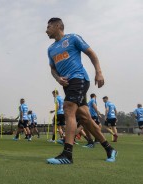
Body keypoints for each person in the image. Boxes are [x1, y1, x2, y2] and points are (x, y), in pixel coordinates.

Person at [46, 17, 117, 164]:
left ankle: (67, 154)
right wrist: (57, 78)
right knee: (85, 118)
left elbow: (91, 53)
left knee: (68, 108)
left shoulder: (73, 38)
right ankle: (110, 149)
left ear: (58, 26)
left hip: (79, 78)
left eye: (49, 27)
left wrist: (98, 71)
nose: (46, 30)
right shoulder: (50, 49)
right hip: (67, 85)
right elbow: (52, 69)